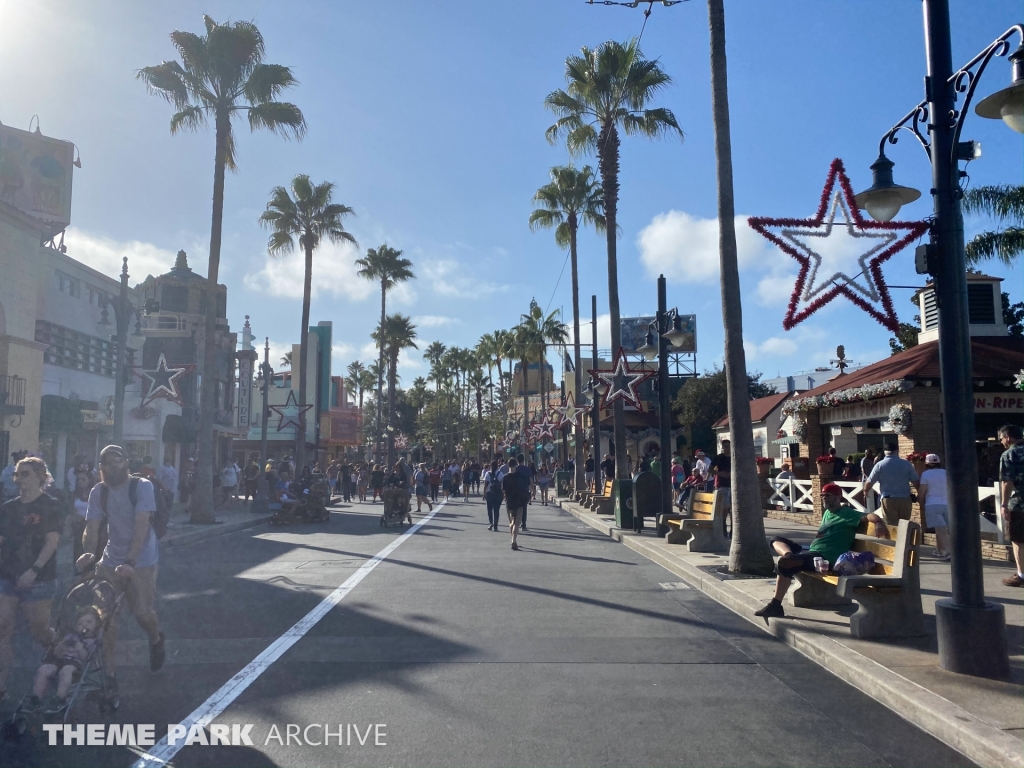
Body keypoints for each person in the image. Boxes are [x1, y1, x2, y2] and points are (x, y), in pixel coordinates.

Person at [78, 445, 165, 693]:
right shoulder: (99, 491)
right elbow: (92, 527)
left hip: (142, 560)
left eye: (117, 461)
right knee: (106, 621)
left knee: (142, 613)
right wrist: (88, 552)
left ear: (126, 463)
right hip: (109, 561)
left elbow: (141, 525)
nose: (111, 466)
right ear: (101, 467)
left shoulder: (142, 486)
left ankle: (156, 639)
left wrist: (130, 561)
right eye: (106, 462)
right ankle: (110, 677)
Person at [755, 483, 890, 622]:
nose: (824, 498)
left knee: (784, 565)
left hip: (825, 558)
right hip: (813, 552)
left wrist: (878, 523)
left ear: (838, 497)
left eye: (828, 495)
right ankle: (790, 555)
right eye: (822, 495)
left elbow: (870, 516)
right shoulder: (827, 512)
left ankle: (775, 604)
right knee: (775, 540)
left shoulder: (848, 514)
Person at [0, 456, 62, 702]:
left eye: (25, 474)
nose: (19, 479)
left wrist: (33, 570)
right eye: (17, 474)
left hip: (40, 578)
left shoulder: (51, 505)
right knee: (3, 627)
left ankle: (60, 652)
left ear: (40, 476)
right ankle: (2, 686)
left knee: (40, 632)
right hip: (7, 575)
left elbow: (52, 541)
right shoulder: (8, 507)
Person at [24, 606, 102, 714]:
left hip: (76, 666)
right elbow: (56, 653)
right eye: (80, 623)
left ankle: (60, 699)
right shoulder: (70, 636)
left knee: (66, 670)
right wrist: (61, 646)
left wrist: (80, 649)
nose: (84, 625)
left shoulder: (93, 641)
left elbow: (87, 659)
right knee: (44, 669)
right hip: (60, 661)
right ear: (76, 626)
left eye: (89, 622)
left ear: (97, 624)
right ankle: (36, 699)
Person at [862, 443, 918, 525]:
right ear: (897, 451)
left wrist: (865, 491)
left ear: (885, 452)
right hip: (905, 498)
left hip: (888, 498)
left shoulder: (879, 465)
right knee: (905, 525)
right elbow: (916, 481)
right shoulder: (906, 464)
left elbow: (869, 482)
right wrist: (919, 495)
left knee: (891, 526)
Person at [998, 424, 1024, 588]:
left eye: (1001, 438)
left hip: (1020, 505)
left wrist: (1004, 504)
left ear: (1008, 437)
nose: (1001, 442)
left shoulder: (1010, 454)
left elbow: (1007, 482)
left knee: (1019, 540)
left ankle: (1021, 575)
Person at [917, 453, 950, 560]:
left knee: (940, 529)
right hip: (947, 503)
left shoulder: (926, 474)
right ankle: (940, 550)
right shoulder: (946, 473)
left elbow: (922, 491)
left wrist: (919, 500)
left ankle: (947, 551)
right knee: (943, 529)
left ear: (927, 463)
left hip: (932, 503)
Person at [501, 458, 529, 551]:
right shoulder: (519, 475)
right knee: (517, 523)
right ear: (515, 465)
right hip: (519, 500)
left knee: (511, 522)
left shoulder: (505, 477)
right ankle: (514, 540)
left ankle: (513, 539)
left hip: (509, 501)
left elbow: (504, 491)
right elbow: (525, 486)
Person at [483, 460, 503, 531]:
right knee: (496, 510)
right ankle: (495, 526)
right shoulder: (500, 473)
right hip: (498, 494)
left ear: (490, 466)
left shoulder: (488, 474)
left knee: (489, 509)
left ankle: (491, 522)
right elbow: (502, 484)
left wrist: (484, 494)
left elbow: (485, 485)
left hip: (489, 493)